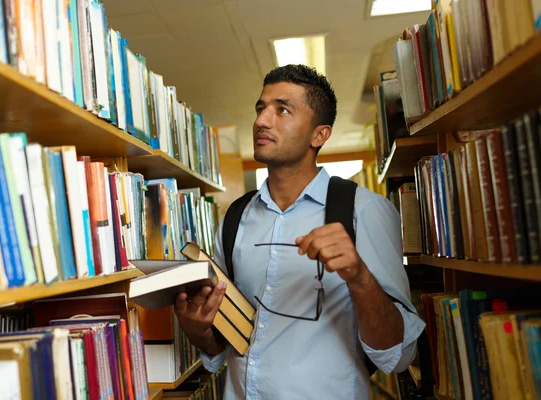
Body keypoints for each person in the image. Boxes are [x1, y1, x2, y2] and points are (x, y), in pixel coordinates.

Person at [174, 64, 426, 400]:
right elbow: (224, 343)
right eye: (261, 108)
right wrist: (198, 329)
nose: (262, 121)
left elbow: (398, 355)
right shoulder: (235, 217)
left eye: (282, 110)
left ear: (319, 135)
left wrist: (360, 276)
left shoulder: (364, 210)